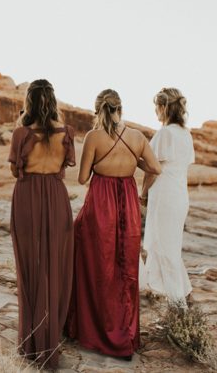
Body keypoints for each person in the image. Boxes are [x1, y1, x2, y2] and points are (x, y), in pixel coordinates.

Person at [66, 89, 161, 360]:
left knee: (95, 263)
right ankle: (125, 332)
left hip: (101, 202)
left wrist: (100, 163)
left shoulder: (94, 137)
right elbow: (155, 169)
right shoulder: (137, 136)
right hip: (128, 203)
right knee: (125, 266)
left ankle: (92, 327)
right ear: (121, 108)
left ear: (98, 110)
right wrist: (136, 169)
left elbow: (83, 178)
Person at [8, 80, 75, 369]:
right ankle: (51, 336)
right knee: (55, 266)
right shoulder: (67, 133)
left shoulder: (21, 133)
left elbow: (15, 170)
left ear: (29, 101)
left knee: (29, 267)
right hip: (57, 199)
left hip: (27, 197)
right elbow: (64, 169)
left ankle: (32, 341)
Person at [139, 88, 195, 304]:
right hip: (179, 196)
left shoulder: (165, 133)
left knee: (164, 250)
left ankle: (178, 308)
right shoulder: (185, 133)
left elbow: (154, 169)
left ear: (164, 107)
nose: (155, 111)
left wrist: (142, 195)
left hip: (165, 197)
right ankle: (186, 294)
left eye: (156, 107)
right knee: (169, 247)